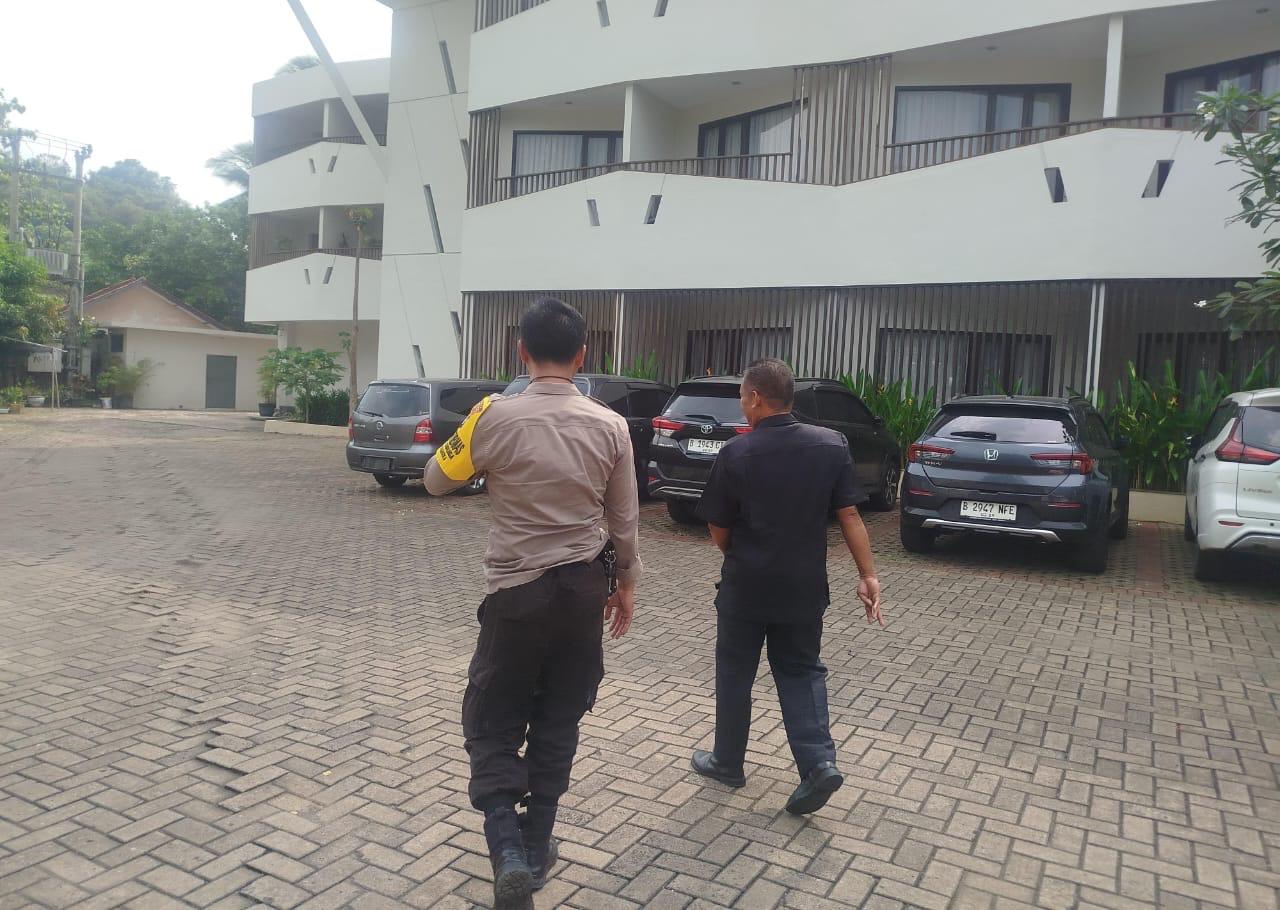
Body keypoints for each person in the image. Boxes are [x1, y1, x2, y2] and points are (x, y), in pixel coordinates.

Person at [425, 297, 641, 909]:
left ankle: (508, 850)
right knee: (560, 714)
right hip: (582, 591)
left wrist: (475, 425)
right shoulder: (611, 425)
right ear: (582, 355)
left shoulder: (492, 417)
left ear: (521, 351)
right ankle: (537, 841)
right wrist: (627, 583)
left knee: (493, 717)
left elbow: (436, 481)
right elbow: (624, 520)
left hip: (516, 593)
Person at [690, 358, 884, 815]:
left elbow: (718, 525)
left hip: (746, 586)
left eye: (742, 397)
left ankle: (727, 762)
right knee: (800, 671)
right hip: (803, 586)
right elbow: (850, 515)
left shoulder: (736, 453)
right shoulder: (830, 445)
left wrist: (741, 555)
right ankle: (818, 764)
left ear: (756, 398)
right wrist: (868, 575)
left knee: (735, 672)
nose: (742, 406)